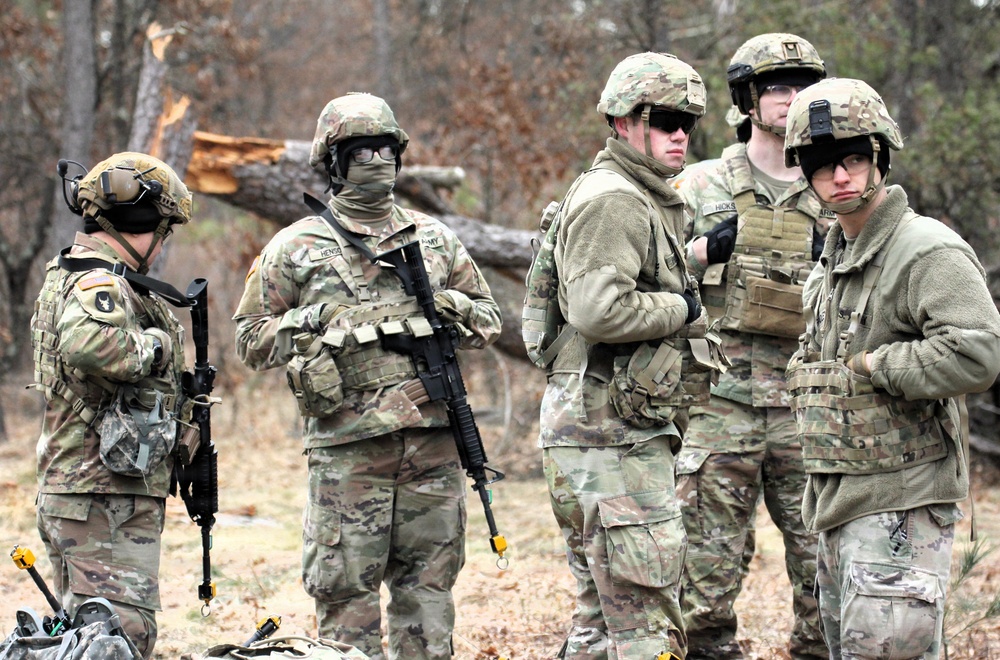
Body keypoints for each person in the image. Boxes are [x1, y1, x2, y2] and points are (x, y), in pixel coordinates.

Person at [233, 92, 502, 660]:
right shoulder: (297, 246)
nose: (377, 161)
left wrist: (446, 306)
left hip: (433, 445)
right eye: (361, 151)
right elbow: (250, 340)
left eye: (386, 149)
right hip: (348, 450)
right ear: (333, 162)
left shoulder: (433, 238)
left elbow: (488, 320)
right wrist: (318, 322)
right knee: (345, 601)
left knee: (429, 595)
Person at [783, 77, 1000, 658]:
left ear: (880, 157)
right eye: (822, 164)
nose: (840, 177)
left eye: (853, 158)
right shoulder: (834, 258)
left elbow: (978, 354)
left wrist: (880, 364)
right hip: (839, 499)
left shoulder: (926, 249)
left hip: (900, 501)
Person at [539, 52, 723, 659]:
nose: (681, 134)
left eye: (688, 122)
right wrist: (684, 310)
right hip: (608, 439)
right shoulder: (615, 198)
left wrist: (689, 265)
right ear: (622, 121)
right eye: (667, 119)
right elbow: (598, 311)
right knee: (646, 619)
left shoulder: (638, 196)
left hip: (606, 433)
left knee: (601, 615)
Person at [674, 33, 830, 659]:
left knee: (826, 566)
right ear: (747, 100)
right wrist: (705, 250)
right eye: (778, 90)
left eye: (803, 90)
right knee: (703, 577)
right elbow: (647, 279)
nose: (792, 103)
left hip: (812, 406)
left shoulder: (836, 184)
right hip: (719, 405)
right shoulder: (698, 185)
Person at [30, 152, 194, 658]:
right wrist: (157, 347)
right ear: (140, 223)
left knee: (86, 641)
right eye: (162, 229)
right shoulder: (96, 282)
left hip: (92, 496)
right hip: (101, 500)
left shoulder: (81, 273)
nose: (163, 242)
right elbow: (92, 346)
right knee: (118, 640)